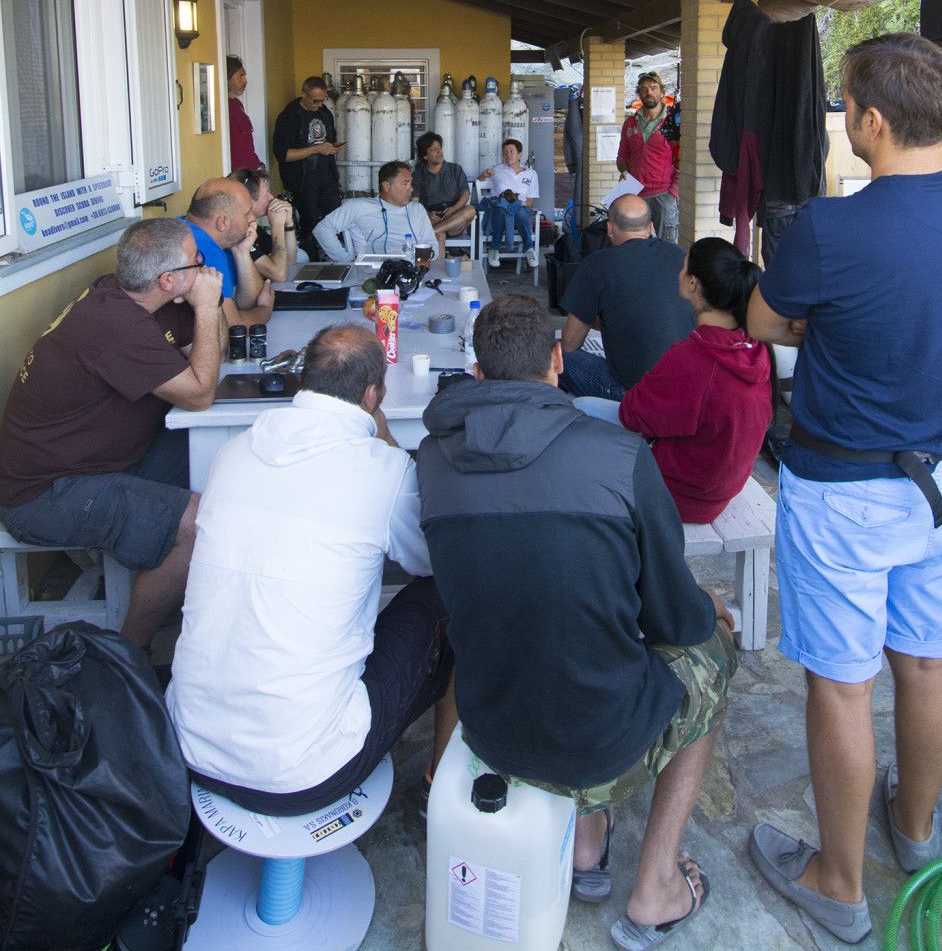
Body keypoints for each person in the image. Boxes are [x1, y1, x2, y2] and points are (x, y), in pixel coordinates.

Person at [745, 34, 942, 944]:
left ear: (869, 119)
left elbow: (764, 317)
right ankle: (911, 830)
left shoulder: (833, 227)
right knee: (929, 656)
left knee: (845, 684)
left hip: (847, 490)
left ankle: (837, 880)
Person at [417, 295, 737, 951]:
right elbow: (674, 617)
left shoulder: (430, 463)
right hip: (595, 733)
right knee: (711, 647)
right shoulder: (619, 457)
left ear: (477, 373)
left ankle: (588, 842)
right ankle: (656, 888)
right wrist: (710, 613)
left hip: (493, 726)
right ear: (558, 361)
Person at [166, 325, 456, 816]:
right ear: (371, 395)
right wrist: (385, 443)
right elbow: (431, 561)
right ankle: (439, 792)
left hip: (189, 743)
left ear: (303, 381)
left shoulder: (233, 452)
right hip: (308, 770)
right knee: (448, 595)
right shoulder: (382, 471)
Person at [0, 219, 227, 648]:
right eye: (198, 262)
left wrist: (205, 309)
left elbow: (211, 355)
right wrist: (207, 307)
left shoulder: (131, 295)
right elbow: (199, 393)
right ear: (168, 279)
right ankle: (131, 653)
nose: (205, 270)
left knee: (225, 455)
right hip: (45, 493)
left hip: (107, 459)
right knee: (196, 522)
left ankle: (177, 586)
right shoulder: (114, 325)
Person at [619, 237, 773, 524]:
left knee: (584, 409)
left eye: (684, 265)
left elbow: (630, 414)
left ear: (692, 284)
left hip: (681, 496)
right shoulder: (756, 348)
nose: (679, 271)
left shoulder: (694, 358)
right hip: (722, 485)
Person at [558, 195, 695, 401]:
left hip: (634, 394)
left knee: (557, 356)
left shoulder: (598, 264)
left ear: (610, 228)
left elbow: (570, 344)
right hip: (689, 386)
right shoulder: (679, 254)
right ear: (650, 228)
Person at [183, 177, 273, 328]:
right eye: (247, 213)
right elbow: (234, 326)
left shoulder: (210, 237)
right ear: (222, 223)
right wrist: (265, 310)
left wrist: (242, 252)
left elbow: (247, 303)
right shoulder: (203, 250)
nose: (253, 218)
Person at [272, 76, 344, 257]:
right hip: (303, 181)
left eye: (323, 100)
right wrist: (316, 149)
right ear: (303, 94)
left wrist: (333, 148)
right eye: (315, 100)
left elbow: (329, 140)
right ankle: (311, 265)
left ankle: (338, 262)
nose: (319, 104)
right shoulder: (289, 116)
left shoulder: (325, 112)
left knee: (337, 223)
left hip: (328, 178)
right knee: (310, 227)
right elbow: (283, 155)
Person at [314, 161, 435, 261]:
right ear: (386, 186)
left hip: (413, 271)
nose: (411, 189)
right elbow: (322, 229)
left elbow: (431, 244)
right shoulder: (360, 206)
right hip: (374, 273)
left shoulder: (417, 209)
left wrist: (423, 262)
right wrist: (346, 262)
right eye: (405, 184)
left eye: (411, 183)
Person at [616, 71, 679, 243]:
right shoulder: (630, 123)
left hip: (663, 195)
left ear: (662, 92)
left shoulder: (673, 123)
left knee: (665, 247)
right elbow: (622, 155)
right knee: (634, 246)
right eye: (643, 89)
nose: (649, 92)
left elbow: (683, 161)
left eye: (653, 88)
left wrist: (673, 192)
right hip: (634, 193)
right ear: (639, 94)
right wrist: (624, 170)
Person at [411, 132, 475, 260]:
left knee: (470, 210)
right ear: (425, 156)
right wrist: (427, 214)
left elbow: (465, 194)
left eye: (439, 148)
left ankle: (433, 231)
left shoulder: (455, 169)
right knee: (440, 235)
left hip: (454, 217)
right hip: (431, 217)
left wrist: (454, 209)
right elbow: (414, 203)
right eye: (433, 149)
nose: (439, 152)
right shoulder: (418, 175)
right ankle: (439, 274)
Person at [228, 167, 299, 282]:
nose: (272, 198)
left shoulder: (253, 227)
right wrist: (277, 226)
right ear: (249, 199)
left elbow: (290, 262)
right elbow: (279, 275)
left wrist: (288, 223)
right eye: (266, 194)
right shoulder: (239, 231)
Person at [479, 138, 539, 271]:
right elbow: (480, 180)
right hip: (499, 209)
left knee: (519, 210)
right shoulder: (497, 170)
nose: (508, 155)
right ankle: (494, 250)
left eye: (512, 151)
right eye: (505, 152)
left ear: (519, 154)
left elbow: (530, 202)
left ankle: (528, 249)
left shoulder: (531, 174)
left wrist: (517, 203)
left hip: (520, 210)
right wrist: (483, 175)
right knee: (502, 209)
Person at [226, 55, 264, 172]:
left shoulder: (237, 104)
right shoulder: (222, 107)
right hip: (236, 176)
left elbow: (246, 145)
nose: (245, 81)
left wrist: (258, 165)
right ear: (227, 77)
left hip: (250, 171)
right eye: (240, 76)